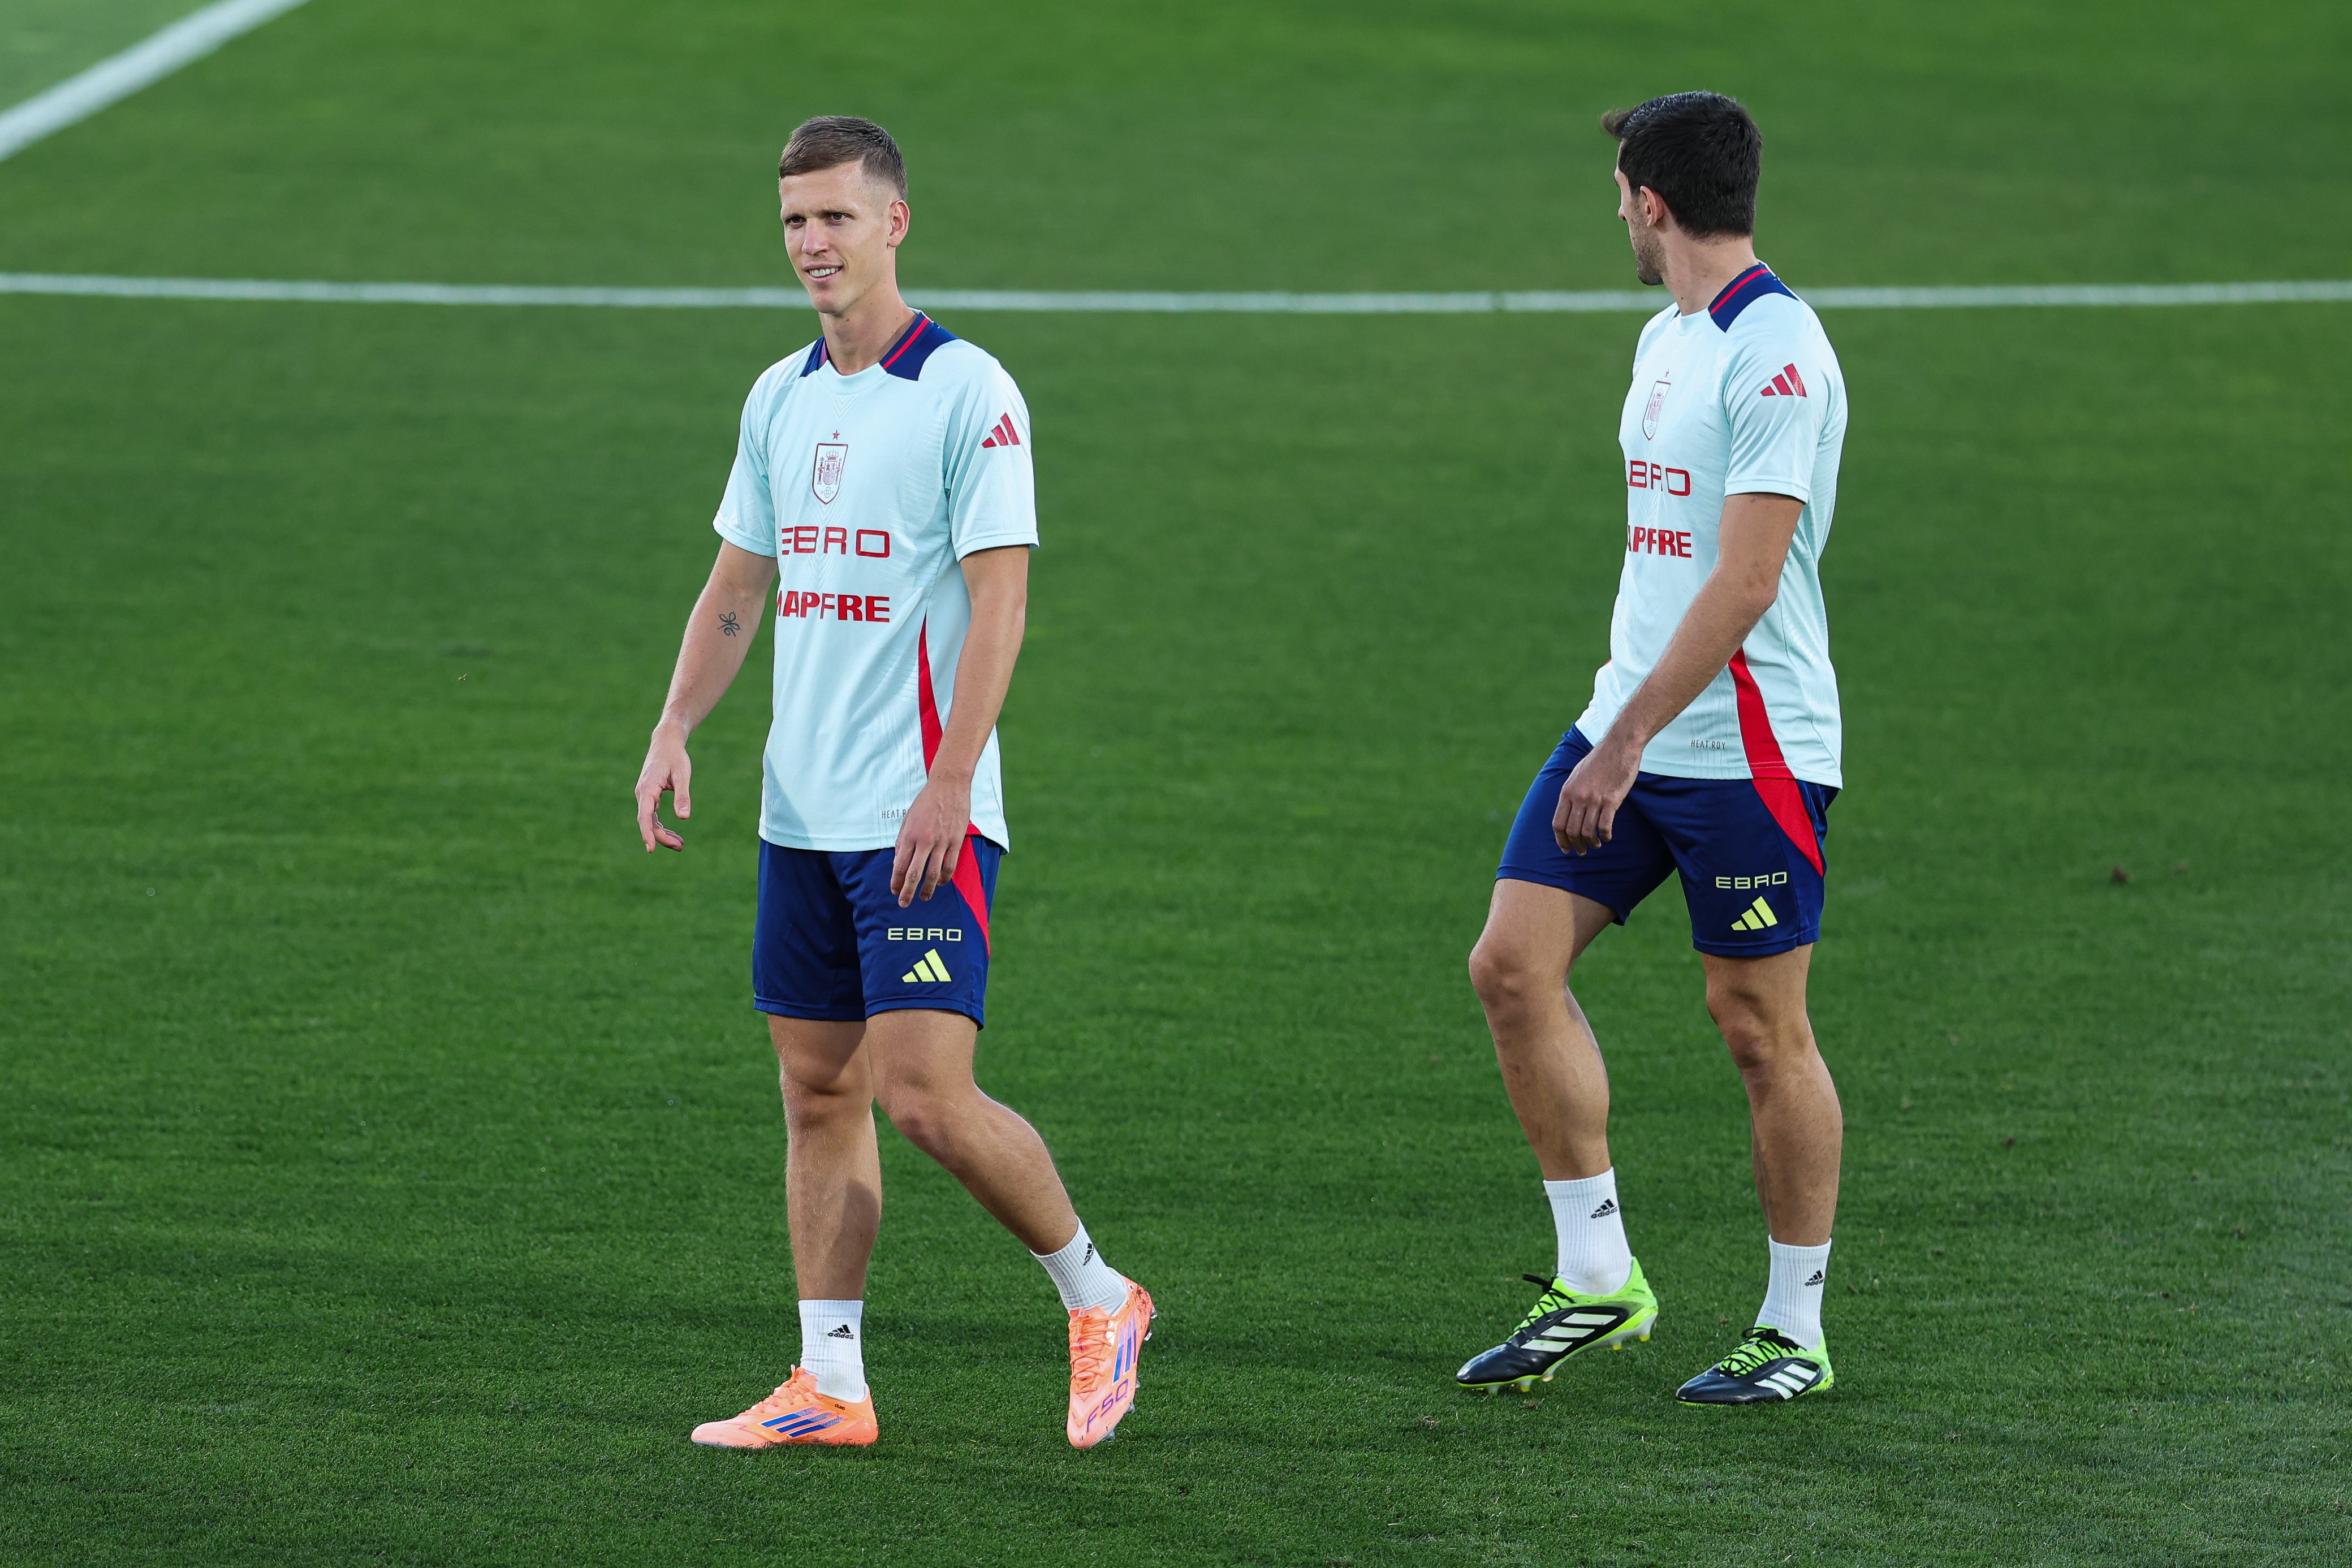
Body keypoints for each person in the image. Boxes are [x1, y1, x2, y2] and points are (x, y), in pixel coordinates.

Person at [633, 116, 1152, 1449]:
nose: (813, 243)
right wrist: (675, 724)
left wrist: (950, 779)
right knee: (818, 1091)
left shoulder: (970, 391)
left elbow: (1002, 601)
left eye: (836, 218)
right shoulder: (779, 396)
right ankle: (831, 1380)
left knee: (924, 1095)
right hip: (797, 815)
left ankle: (1101, 1299)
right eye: (795, 220)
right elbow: (738, 585)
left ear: (895, 223)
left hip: (922, 818)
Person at [1456, 92, 1850, 1405]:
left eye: (1619, 192)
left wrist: (1619, 745)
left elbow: (1742, 582)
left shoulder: (1774, 355)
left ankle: (1793, 1328)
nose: (1614, 213)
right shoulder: (1667, 338)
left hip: (1748, 750)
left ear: (1652, 202)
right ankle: (1597, 1280)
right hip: (1627, 721)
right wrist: (1617, 724)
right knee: (1512, 965)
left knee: (1756, 1027)